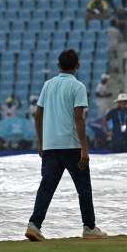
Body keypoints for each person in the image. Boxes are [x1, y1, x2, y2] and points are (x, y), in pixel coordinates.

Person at [26, 49, 106, 241]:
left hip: (51, 146)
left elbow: (38, 115)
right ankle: (89, 227)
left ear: (58, 65)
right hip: (71, 146)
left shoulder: (48, 85)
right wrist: (85, 149)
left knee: (46, 187)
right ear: (77, 66)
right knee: (83, 188)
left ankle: (34, 225)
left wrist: (41, 142)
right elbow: (79, 118)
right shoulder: (77, 87)